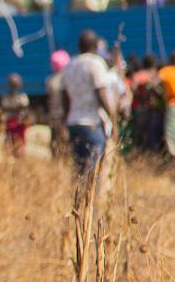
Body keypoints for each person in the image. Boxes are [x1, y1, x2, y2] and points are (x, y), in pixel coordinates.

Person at [61, 30, 120, 178]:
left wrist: (65, 121)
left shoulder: (70, 65)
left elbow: (65, 97)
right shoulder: (95, 63)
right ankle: (90, 200)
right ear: (95, 46)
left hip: (73, 122)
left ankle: (79, 200)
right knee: (93, 172)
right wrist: (113, 120)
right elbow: (101, 92)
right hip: (90, 122)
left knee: (79, 170)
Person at [45, 48, 71, 157]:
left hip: (54, 116)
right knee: (66, 144)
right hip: (65, 116)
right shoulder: (68, 79)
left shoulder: (50, 80)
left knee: (55, 144)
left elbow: (49, 100)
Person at [0, 73, 31, 157]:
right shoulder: (20, 97)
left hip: (18, 123)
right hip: (13, 123)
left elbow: (24, 111)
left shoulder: (18, 97)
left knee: (17, 143)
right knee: (12, 142)